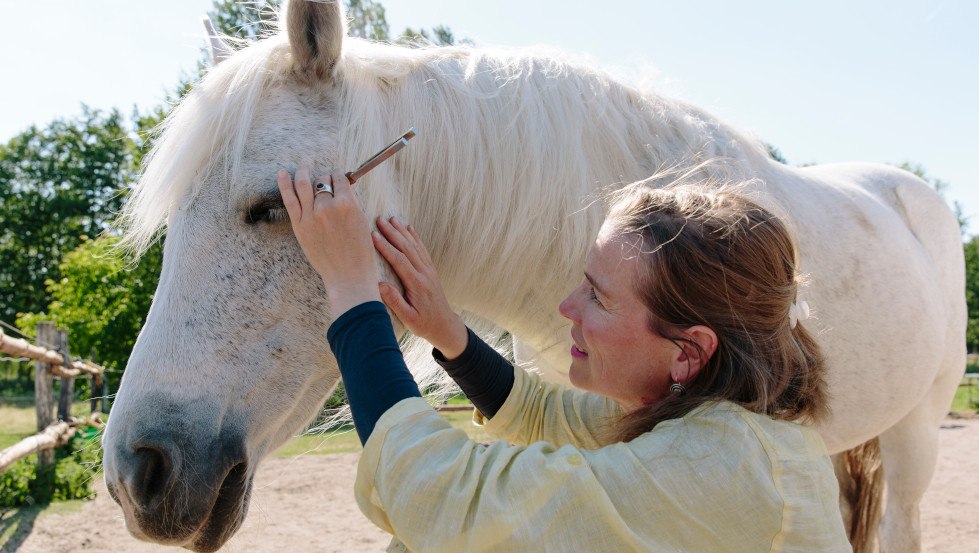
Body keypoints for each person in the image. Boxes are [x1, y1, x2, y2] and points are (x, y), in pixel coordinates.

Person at [277, 167, 852, 552]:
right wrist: (450, 334)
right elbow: (550, 417)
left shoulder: (727, 467)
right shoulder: (717, 423)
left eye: (598, 297)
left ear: (690, 351)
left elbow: (449, 498)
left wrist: (350, 286)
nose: (567, 307)